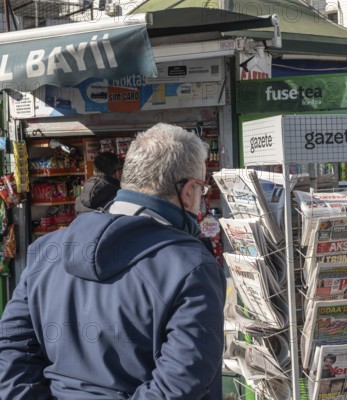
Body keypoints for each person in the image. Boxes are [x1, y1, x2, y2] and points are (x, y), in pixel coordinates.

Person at [0, 123, 226, 399]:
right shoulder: (191, 265)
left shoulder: (46, 250)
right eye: (202, 189)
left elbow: (12, 351)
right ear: (189, 191)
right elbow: (182, 382)